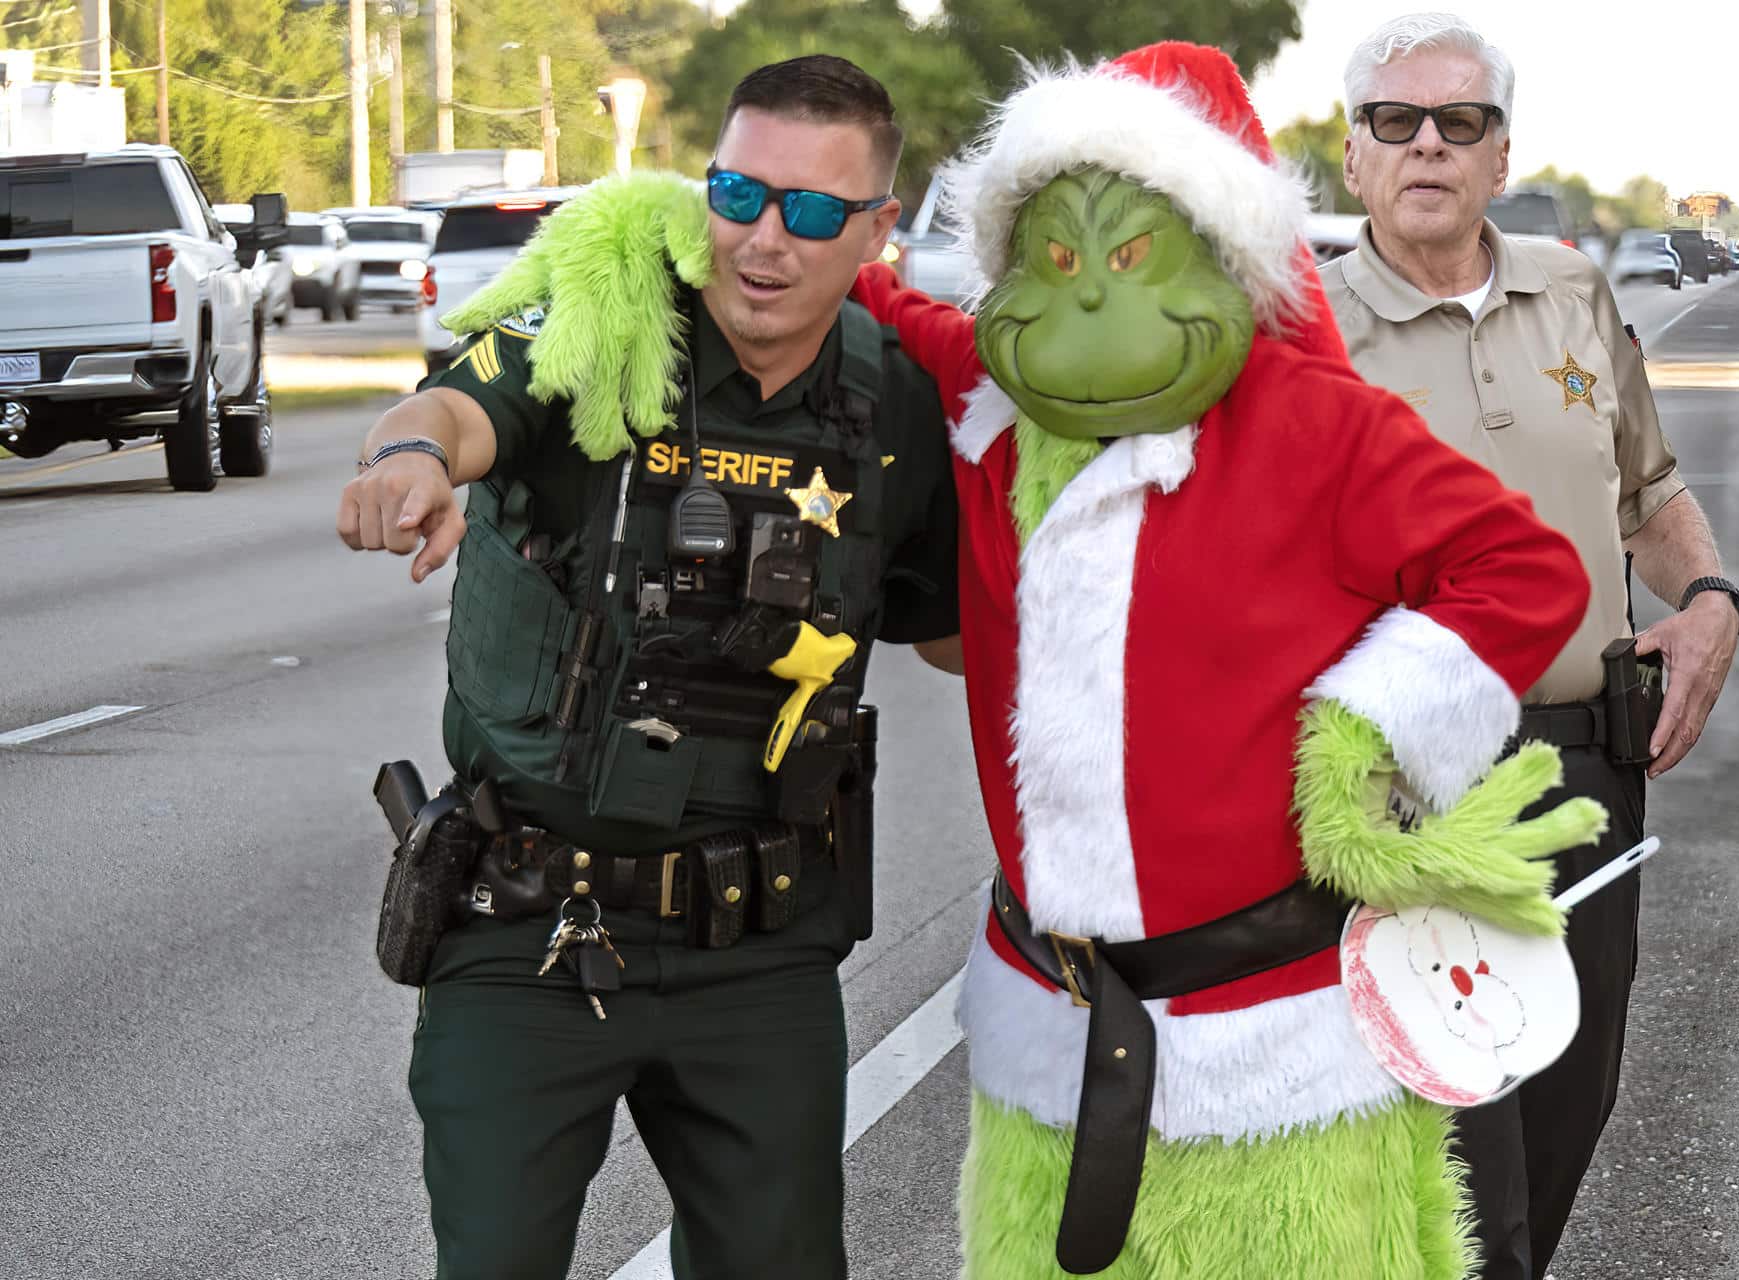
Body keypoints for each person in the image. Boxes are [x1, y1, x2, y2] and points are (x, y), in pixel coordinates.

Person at [848, 41, 1608, 1280]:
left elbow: (1525, 571)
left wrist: (1363, 732)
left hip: (1271, 1049)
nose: (1087, 305)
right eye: (1055, 259)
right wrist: (680, 231)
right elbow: (870, 298)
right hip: (1048, 1033)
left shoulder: (1310, 420)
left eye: (1132, 256)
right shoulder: (996, 394)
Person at [335, 55, 960, 1280]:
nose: (764, 238)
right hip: (530, 923)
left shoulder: (893, 403)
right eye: (737, 194)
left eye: (812, 210)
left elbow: (950, 632)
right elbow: (453, 411)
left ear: (877, 229)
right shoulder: (607, 320)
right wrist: (409, 460)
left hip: (761, 946)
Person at [1322, 13, 1739, 1279]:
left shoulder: (1572, 292)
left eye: (1461, 120)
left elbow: (1647, 491)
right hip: (1412, 795)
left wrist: (1711, 595)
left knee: (1568, 1107)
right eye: (1395, 120)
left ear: (1501, 154)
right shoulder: (1304, 335)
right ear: (1353, 154)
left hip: (1588, 773)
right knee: (1464, 1181)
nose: (1428, 144)